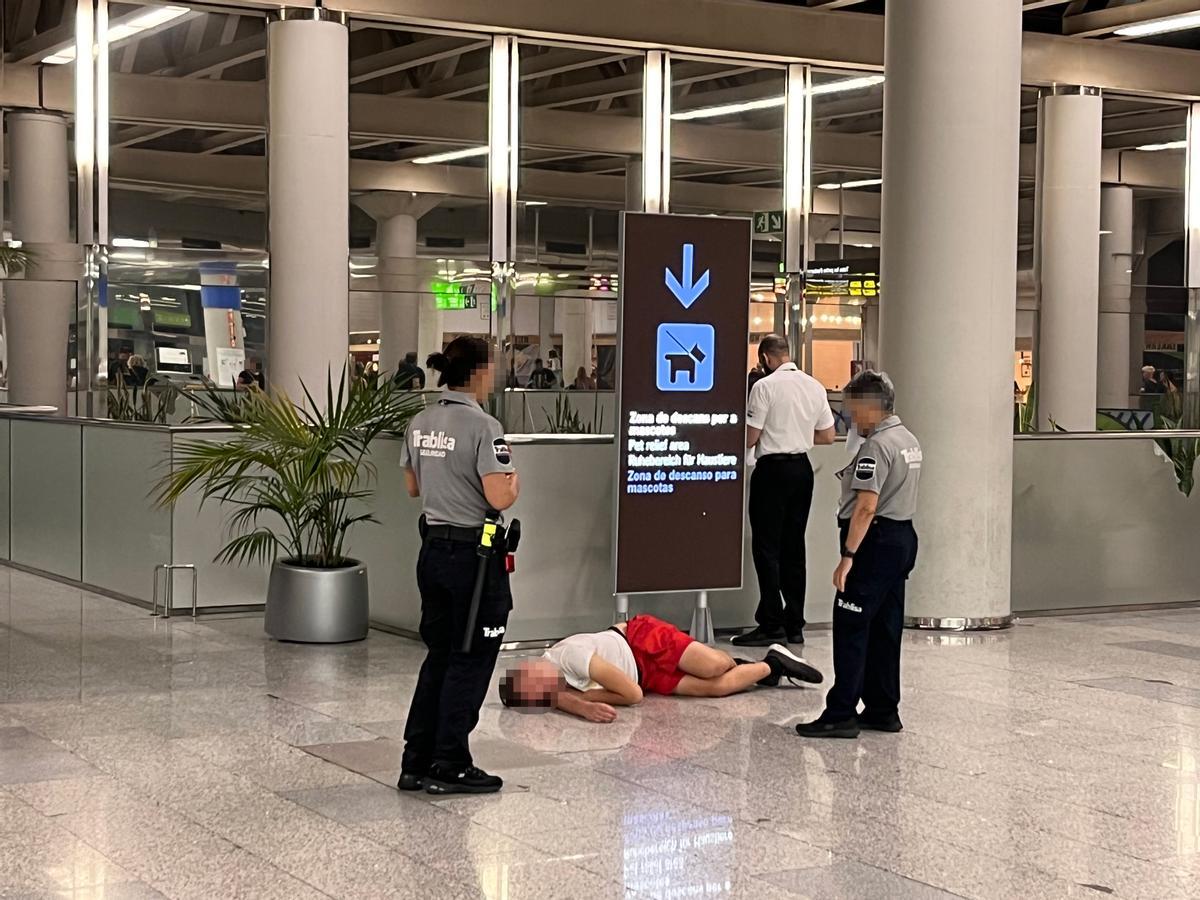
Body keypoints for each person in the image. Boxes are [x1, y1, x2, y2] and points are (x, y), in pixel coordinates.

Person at [398, 336, 520, 795]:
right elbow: (499, 495)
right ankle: (450, 761)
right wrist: (515, 482)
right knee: (472, 657)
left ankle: (416, 760)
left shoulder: (420, 421)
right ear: (482, 371)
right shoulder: (484, 426)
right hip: (475, 557)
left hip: (432, 552)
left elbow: (412, 486)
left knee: (441, 654)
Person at [796, 371, 921, 739]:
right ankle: (883, 708)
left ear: (871, 406)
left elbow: (866, 506)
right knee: (885, 626)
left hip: (874, 542)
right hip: (901, 538)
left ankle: (841, 712)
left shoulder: (877, 447)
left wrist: (848, 555)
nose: (850, 418)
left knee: (851, 626)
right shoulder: (908, 439)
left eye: (853, 410)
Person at [499, 615, 822, 722]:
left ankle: (732, 661)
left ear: (529, 667)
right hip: (644, 673)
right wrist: (570, 701)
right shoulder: (561, 691)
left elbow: (631, 694)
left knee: (715, 667)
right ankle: (773, 664)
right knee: (716, 689)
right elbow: (635, 690)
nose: (546, 691)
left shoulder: (566, 657)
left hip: (639, 639)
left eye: (536, 685)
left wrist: (578, 705)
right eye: (539, 697)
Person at [733, 335, 838, 648]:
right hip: (802, 471)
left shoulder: (764, 387)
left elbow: (751, 437)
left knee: (767, 548)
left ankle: (771, 622)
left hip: (772, 471)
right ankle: (795, 624)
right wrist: (799, 435)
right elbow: (829, 435)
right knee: (794, 547)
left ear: (765, 358)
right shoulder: (814, 386)